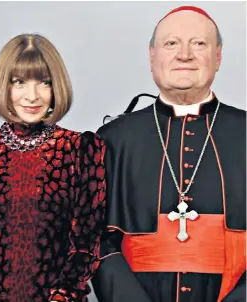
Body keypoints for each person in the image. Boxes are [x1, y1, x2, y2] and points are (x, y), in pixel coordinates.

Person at [92, 6, 246, 302]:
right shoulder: (113, 140)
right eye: (171, 43)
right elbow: (97, 243)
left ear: (218, 57)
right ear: (152, 57)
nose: (184, 54)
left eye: (199, 44)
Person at [0, 33, 107, 302]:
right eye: (19, 82)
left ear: (56, 87)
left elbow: (86, 240)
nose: (32, 96)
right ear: (4, 85)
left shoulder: (80, 150)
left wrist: (62, 296)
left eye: (44, 83)